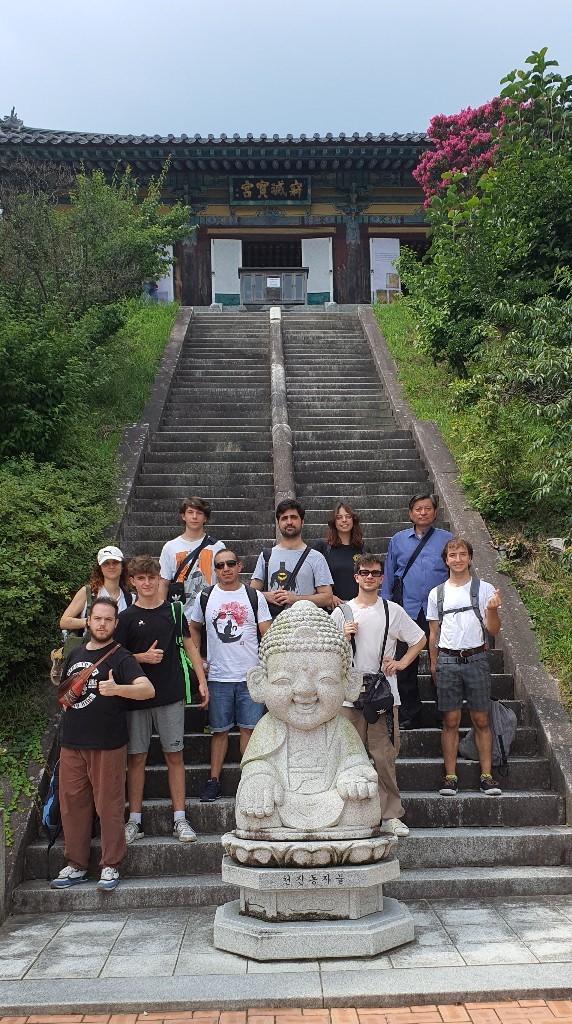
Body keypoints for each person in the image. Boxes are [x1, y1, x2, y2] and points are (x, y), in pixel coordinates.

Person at [235, 600, 380, 833]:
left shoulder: (341, 727)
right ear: (259, 684)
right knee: (254, 812)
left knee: (364, 808)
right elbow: (257, 764)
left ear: (350, 683)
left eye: (325, 679)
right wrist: (260, 780)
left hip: (333, 802)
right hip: (283, 803)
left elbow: (354, 760)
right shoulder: (269, 726)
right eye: (284, 680)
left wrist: (354, 776)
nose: (304, 690)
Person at [51, 597, 155, 892]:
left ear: (115, 624)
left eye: (108, 619)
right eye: (97, 618)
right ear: (88, 620)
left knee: (108, 805)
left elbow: (147, 689)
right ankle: (76, 864)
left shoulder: (121, 657)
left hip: (107, 743)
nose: (102, 624)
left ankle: (111, 864)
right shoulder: (75, 653)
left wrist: (117, 688)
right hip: (72, 741)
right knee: (72, 805)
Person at [114, 555, 208, 845]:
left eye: (151, 577)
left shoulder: (174, 611)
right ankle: (135, 820)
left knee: (174, 755)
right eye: (141, 578)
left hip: (170, 694)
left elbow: (189, 645)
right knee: (137, 758)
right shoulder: (125, 618)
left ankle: (180, 818)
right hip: (135, 698)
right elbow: (115, 657)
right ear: (132, 582)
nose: (147, 583)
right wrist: (140, 658)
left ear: (159, 579)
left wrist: (201, 680)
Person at [332, 553, 427, 838]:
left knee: (384, 756)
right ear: (356, 577)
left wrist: (402, 663)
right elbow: (327, 653)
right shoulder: (342, 612)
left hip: (383, 694)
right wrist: (343, 637)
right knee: (346, 757)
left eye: (375, 573)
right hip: (349, 694)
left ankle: (390, 815)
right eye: (365, 572)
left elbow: (419, 638)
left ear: (382, 578)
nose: (370, 577)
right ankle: (345, 813)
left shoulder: (392, 610)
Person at [189, 548, 272, 802]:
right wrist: (199, 657)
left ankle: (249, 780)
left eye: (230, 563)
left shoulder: (253, 596)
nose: (225, 568)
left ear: (239, 566)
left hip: (249, 675)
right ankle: (213, 780)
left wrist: (267, 665)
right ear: (215, 570)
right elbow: (193, 627)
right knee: (219, 731)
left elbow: (267, 632)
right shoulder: (206, 596)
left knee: (249, 731)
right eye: (220, 565)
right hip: (218, 675)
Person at [427, 536, 502, 797]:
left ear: (470, 558)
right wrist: (434, 662)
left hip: (476, 658)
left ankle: (487, 776)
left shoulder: (484, 588)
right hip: (447, 660)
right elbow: (433, 633)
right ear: (446, 560)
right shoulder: (437, 593)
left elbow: (493, 629)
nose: (457, 559)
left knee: (481, 719)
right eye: (452, 555)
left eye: (462, 554)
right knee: (450, 720)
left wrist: (492, 610)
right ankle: (450, 777)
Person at [381, 493, 453, 729]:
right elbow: (389, 574)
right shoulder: (398, 540)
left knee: (441, 662)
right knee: (405, 664)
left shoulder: (447, 540)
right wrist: (385, 606)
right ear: (410, 513)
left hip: (439, 611)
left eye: (428, 508)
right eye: (418, 509)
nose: (423, 512)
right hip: (407, 610)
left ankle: (444, 714)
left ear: (435, 512)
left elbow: (455, 571)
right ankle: (410, 714)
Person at [250, 499, 333, 615]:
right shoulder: (266, 556)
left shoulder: (316, 558)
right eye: (284, 518)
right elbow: (251, 593)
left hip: (305, 622)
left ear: (302, 521)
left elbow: (327, 597)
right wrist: (267, 596)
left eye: (293, 517)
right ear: (278, 523)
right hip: (274, 623)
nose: (289, 522)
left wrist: (295, 599)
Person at [158, 496, 225, 620]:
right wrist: (162, 613)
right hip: (180, 614)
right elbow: (163, 583)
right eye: (190, 512)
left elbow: (224, 580)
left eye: (199, 513)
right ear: (183, 516)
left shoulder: (217, 546)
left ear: (205, 518)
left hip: (211, 612)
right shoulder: (170, 547)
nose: (194, 517)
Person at [59, 545, 133, 635]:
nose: (111, 566)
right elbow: (64, 622)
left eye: (115, 562)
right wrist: (90, 622)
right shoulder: (88, 592)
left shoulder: (130, 598)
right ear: (100, 568)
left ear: (122, 566)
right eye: (106, 563)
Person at [312, 501, 369, 605]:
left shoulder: (363, 549)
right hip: (331, 608)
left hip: (359, 607)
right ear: (334, 522)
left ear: (353, 520)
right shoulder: (322, 547)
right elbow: (309, 576)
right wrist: (328, 596)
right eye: (339, 517)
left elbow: (370, 578)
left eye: (348, 516)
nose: (344, 520)